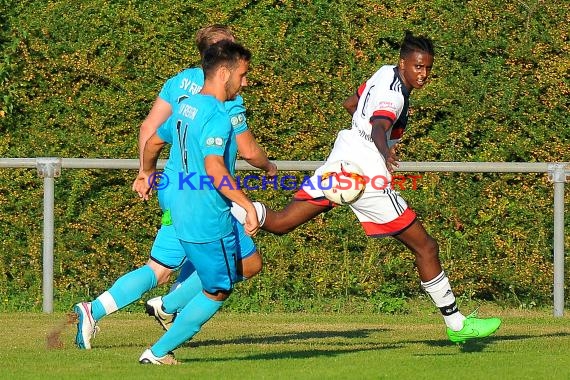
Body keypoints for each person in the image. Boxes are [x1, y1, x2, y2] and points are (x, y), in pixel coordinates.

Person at [230, 31, 501, 344]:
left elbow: (352, 103)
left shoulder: (384, 72)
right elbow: (379, 126)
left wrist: (364, 134)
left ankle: (232, 209)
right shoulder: (396, 95)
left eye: (427, 67)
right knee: (425, 247)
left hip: (342, 158)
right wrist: (384, 153)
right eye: (417, 67)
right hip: (367, 178)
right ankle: (457, 325)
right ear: (404, 63)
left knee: (281, 222)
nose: (423, 73)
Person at [73, 25, 275, 350]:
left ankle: (125, 309)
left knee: (169, 266)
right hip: (204, 193)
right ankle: (163, 309)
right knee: (241, 263)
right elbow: (248, 150)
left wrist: (145, 172)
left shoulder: (179, 84)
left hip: (173, 187)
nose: (242, 65)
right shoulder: (223, 99)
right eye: (236, 52)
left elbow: (150, 129)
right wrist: (268, 166)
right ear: (223, 59)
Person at [133, 40, 256, 364]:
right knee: (218, 288)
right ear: (225, 72)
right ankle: (158, 352)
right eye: (242, 75)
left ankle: (166, 309)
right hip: (207, 214)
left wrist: (147, 171)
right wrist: (246, 205)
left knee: (244, 265)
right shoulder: (218, 115)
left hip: (181, 207)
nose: (245, 82)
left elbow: (154, 140)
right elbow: (216, 168)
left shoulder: (185, 107)